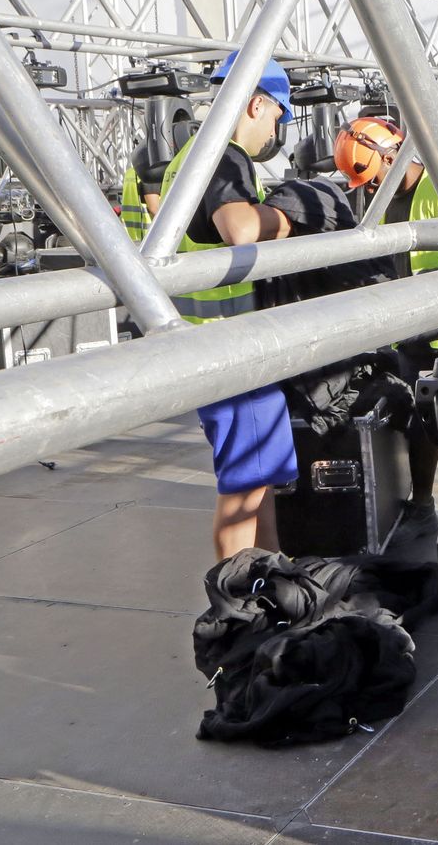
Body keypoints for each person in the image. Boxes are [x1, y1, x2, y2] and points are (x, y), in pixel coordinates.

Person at [158, 50, 298, 560]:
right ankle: (237, 607)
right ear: (259, 105)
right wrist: (288, 217)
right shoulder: (224, 152)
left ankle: (273, 579)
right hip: (232, 348)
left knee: (257, 479)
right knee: (243, 486)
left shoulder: (191, 153)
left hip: (217, 342)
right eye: (278, 117)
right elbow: (238, 229)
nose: (274, 132)